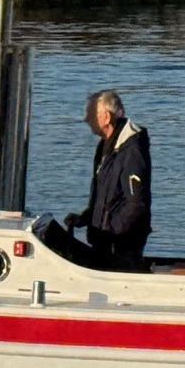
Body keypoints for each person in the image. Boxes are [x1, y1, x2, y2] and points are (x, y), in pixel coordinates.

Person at [65, 89, 152, 272]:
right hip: (104, 242)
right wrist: (87, 218)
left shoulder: (131, 151)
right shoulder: (106, 148)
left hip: (121, 246)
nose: (86, 119)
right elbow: (107, 197)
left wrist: (110, 230)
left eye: (90, 114)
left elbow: (136, 204)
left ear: (105, 117)